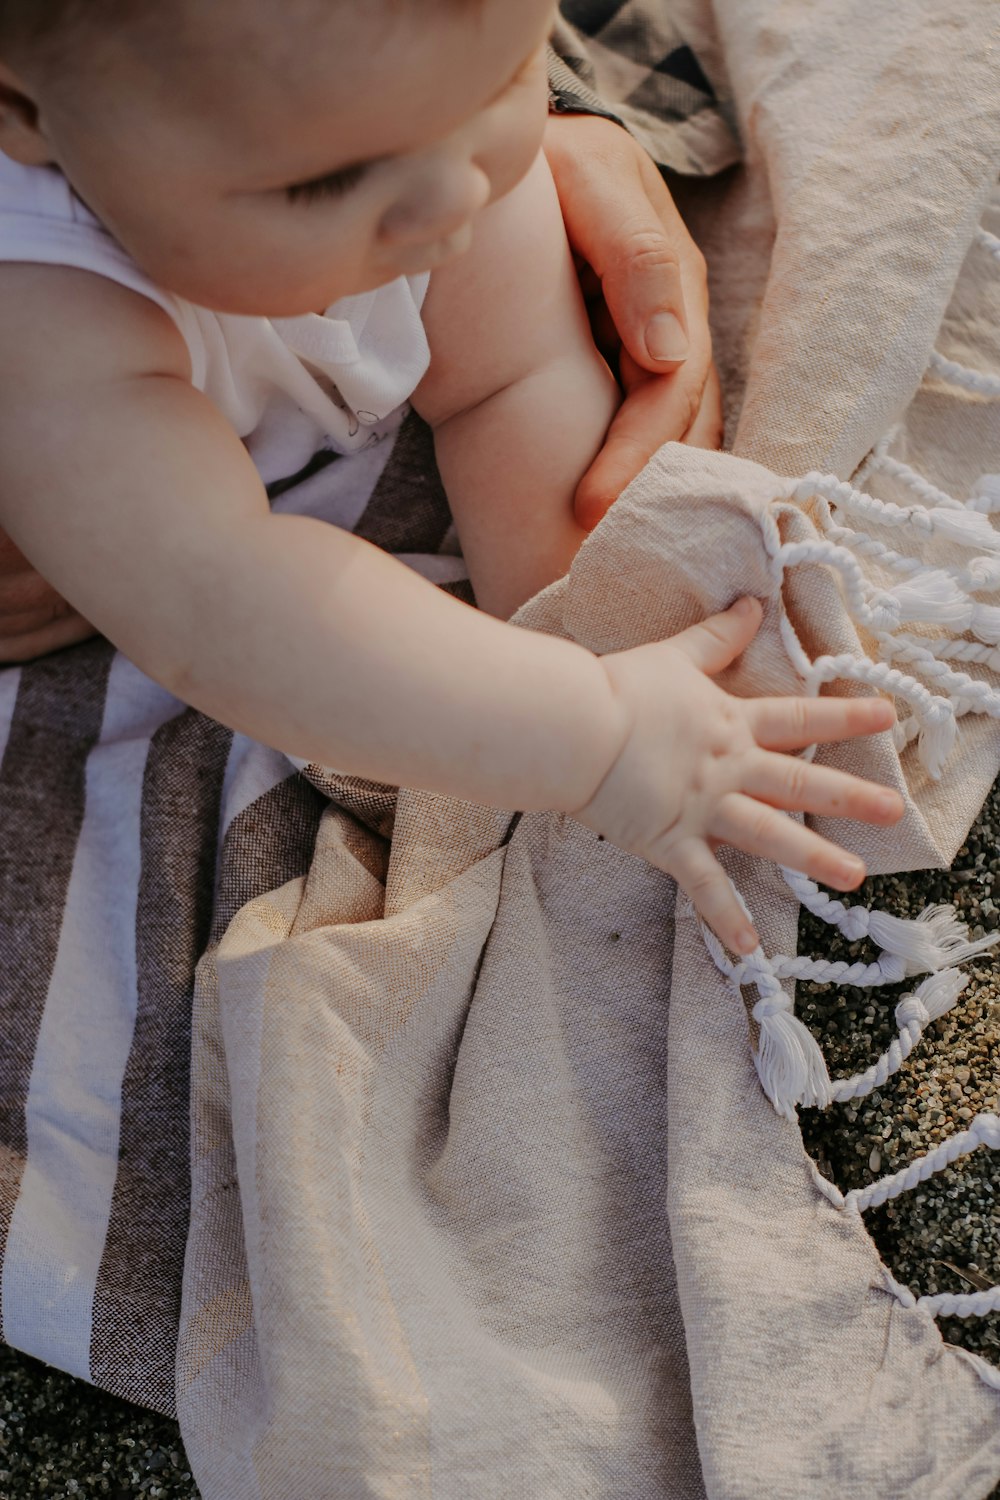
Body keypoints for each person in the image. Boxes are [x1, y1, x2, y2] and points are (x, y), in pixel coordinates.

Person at [0, 0, 904, 957]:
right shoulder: (46, 315)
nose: (453, 200)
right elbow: (218, 599)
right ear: (24, 112)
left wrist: (595, 637)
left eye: (501, 82)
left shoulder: (413, 124)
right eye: (326, 181)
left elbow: (511, 378)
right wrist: (591, 736)